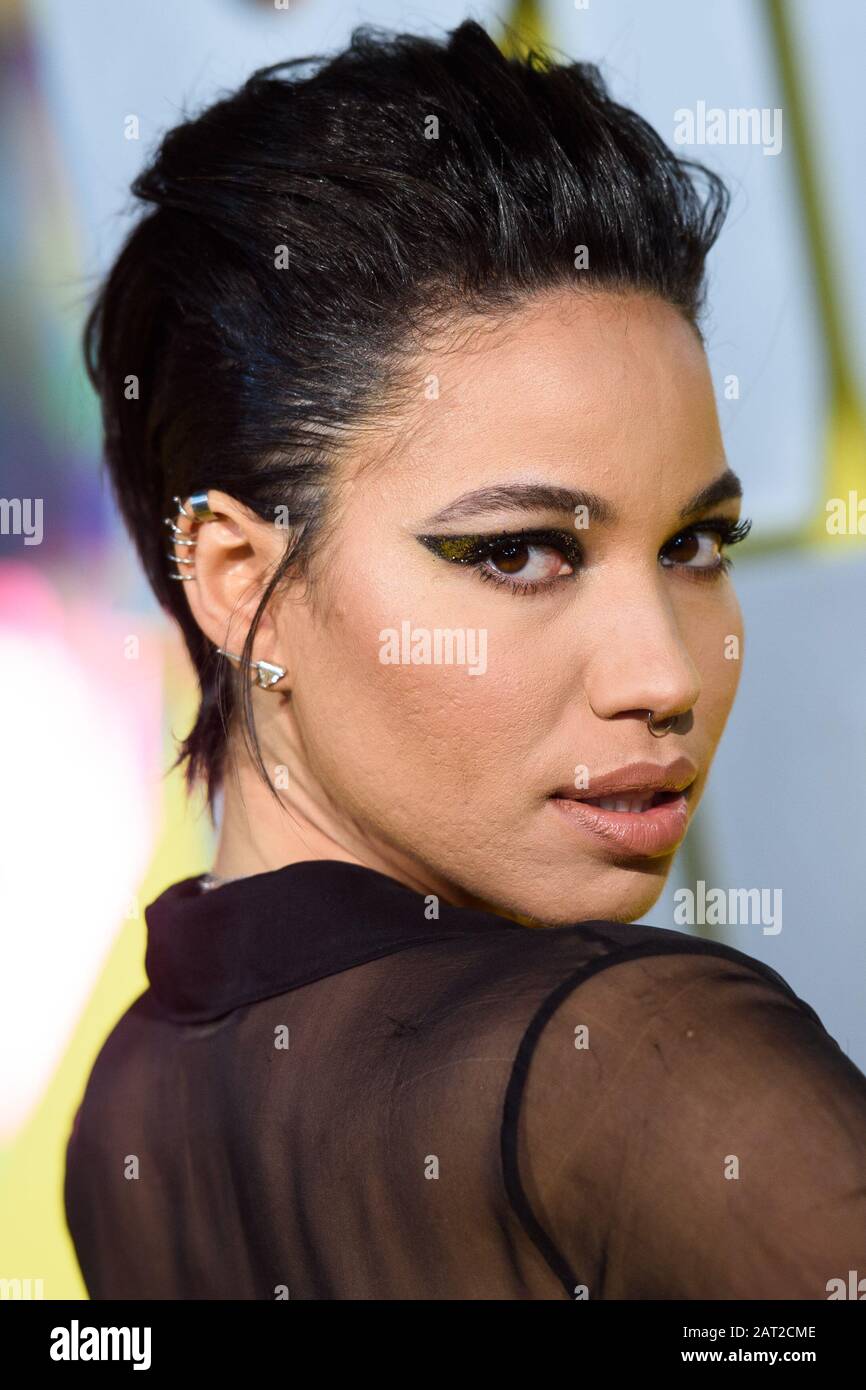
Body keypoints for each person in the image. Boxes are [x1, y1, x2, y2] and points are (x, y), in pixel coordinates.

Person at [64, 19, 866, 1300]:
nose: (660, 675)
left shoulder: (130, 1111)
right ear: (236, 577)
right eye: (515, 555)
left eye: (694, 542)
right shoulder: (636, 1064)